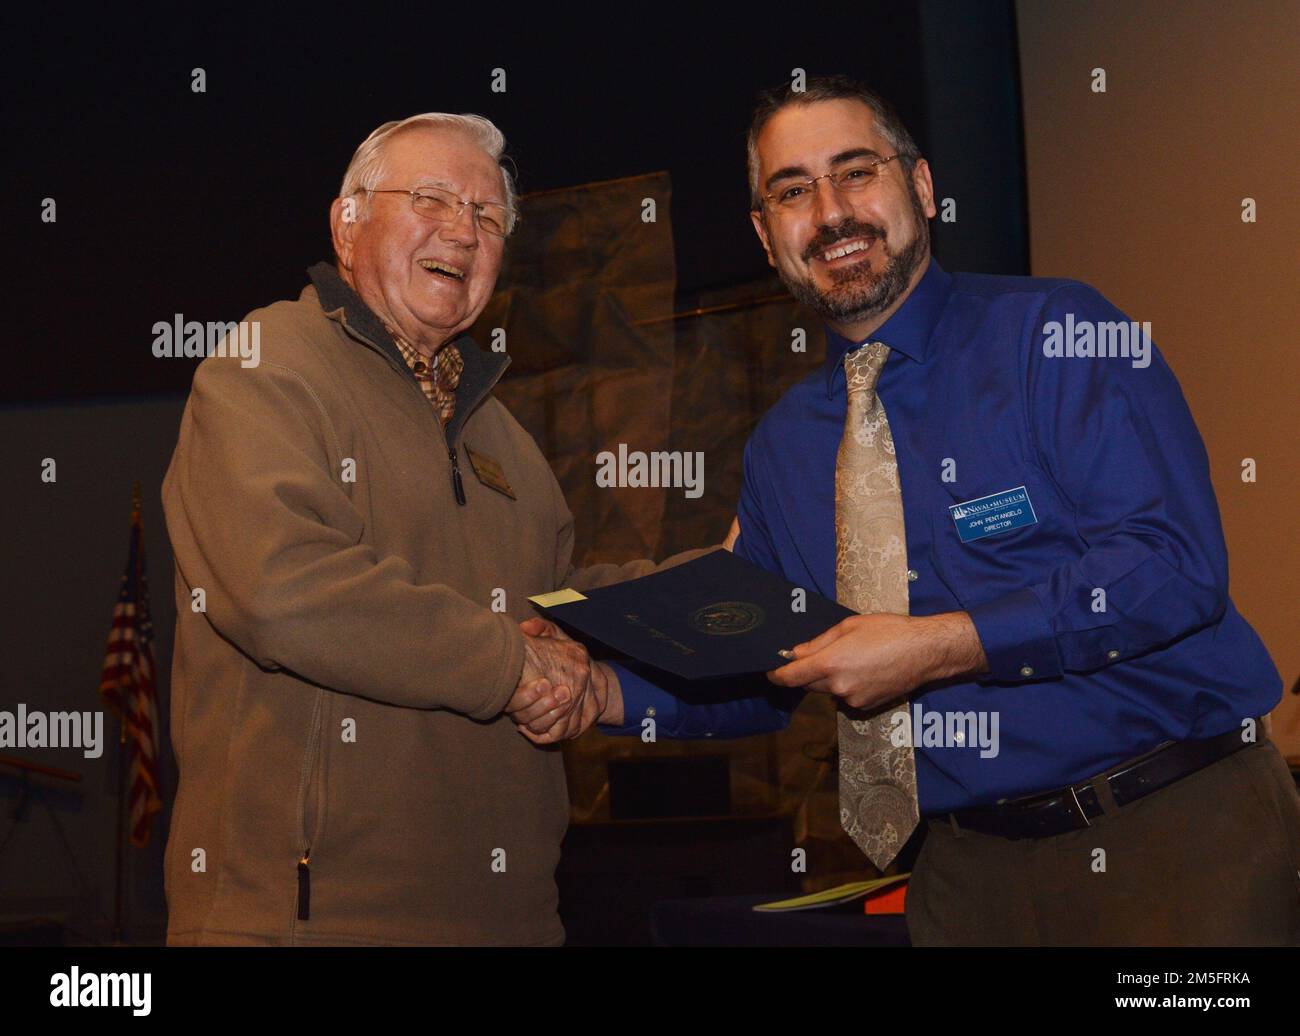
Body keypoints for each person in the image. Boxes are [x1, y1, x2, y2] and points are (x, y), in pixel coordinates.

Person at [522, 76, 1299, 946]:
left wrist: (942, 644)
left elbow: (1172, 568)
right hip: (964, 880)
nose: (830, 212)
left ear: (922, 188)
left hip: (1172, 842)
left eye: (856, 172)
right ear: (764, 233)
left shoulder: (1059, 336)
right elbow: (767, 666)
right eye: (791, 190)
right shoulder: (783, 448)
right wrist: (603, 691)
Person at [161, 112, 684, 946]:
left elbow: (555, 610)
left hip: (514, 922)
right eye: (432, 199)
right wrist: (513, 665)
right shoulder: (264, 363)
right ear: (348, 222)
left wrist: (726, 583)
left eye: (488, 216)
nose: (462, 232)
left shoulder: (507, 440)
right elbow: (281, 587)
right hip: (305, 925)